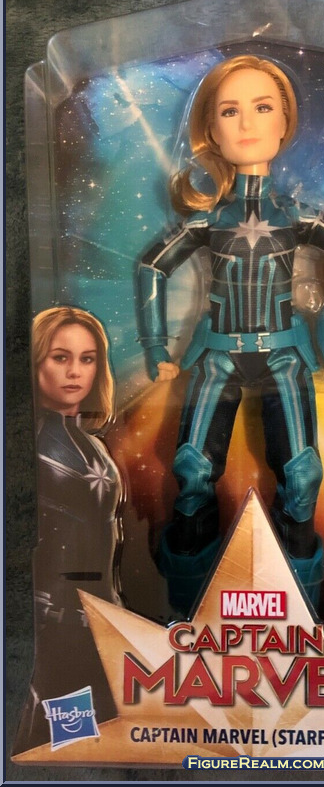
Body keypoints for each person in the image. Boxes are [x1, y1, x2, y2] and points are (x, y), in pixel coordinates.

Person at [137, 55, 324, 616]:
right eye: (230, 111)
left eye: (262, 107)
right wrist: (156, 347)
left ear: (284, 122)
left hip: (283, 354)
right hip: (217, 354)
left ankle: (298, 607)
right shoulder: (208, 220)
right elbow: (154, 264)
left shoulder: (296, 215)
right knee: (193, 471)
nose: (247, 122)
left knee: (301, 476)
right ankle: (185, 610)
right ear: (211, 130)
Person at [14, 307, 123, 752]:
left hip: (96, 620)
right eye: (60, 357)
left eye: (87, 358)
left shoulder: (93, 446)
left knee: (91, 747)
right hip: (46, 625)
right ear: (35, 360)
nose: (75, 371)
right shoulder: (22, 444)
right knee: (56, 746)